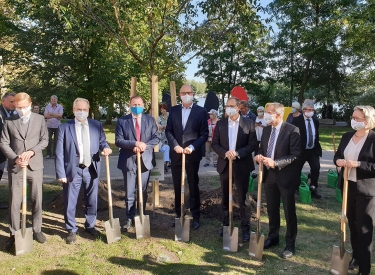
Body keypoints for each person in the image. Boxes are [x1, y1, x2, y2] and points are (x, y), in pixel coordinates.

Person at [55, 98, 112, 244]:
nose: (82, 112)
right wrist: (61, 173)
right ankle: (71, 229)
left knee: (92, 198)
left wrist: (105, 147)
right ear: (73, 110)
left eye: (84, 110)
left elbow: (102, 141)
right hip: (72, 170)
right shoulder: (64, 128)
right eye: (79, 110)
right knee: (70, 200)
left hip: (91, 168)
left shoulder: (96, 125)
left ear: (88, 110)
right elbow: (59, 153)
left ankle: (90, 225)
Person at [0, 92, 49, 250]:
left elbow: (44, 140)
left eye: (24, 107)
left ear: (30, 104)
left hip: (35, 166)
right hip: (16, 167)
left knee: (37, 199)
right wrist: (15, 158)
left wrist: (32, 151)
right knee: (15, 202)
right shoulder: (9, 121)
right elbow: (4, 143)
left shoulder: (40, 119)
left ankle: (37, 230)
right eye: (18, 107)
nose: (21, 110)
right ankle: (14, 233)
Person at [254, 102, 301, 259]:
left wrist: (276, 162)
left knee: (289, 211)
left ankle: (290, 244)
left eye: (269, 112)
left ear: (278, 115)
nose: (266, 115)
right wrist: (259, 156)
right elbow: (262, 148)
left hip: (285, 176)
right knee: (272, 209)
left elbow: (295, 155)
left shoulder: (292, 130)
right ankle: (273, 237)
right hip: (269, 176)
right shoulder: (267, 130)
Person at [334, 106, 375, 275]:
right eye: (353, 117)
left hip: (366, 190)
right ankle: (356, 257)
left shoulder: (373, 139)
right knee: (352, 225)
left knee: (364, 229)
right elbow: (337, 156)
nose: (354, 121)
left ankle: (364, 268)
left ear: (367, 121)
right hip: (347, 186)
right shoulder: (346, 136)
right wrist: (339, 162)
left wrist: (358, 164)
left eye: (357, 118)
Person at [211, 97, 257, 242]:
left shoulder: (249, 124)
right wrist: (225, 153)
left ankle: (245, 228)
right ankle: (225, 225)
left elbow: (253, 145)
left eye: (231, 106)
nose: (228, 109)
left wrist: (237, 153)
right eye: (226, 106)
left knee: (243, 198)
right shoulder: (220, 124)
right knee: (225, 196)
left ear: (238, 107)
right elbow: (215, 143)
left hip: (241, 165)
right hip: (225, 164)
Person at [165, 84, 208, 230]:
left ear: (193, 94)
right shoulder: (174, 110)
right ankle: (179, 215)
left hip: (192, 155)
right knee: (177, 186)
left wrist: (192, 147)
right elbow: (169, 131)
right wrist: (175, 145)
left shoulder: (201, 112)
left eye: (189, 92)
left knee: (193, 185)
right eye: (184, 93)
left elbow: (204, 134)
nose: (186, 94)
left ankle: (196, 216)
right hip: (176, 154)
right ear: (179, 94)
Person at [115, 95, 158, 231]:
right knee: (129, 192)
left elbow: (156, 138)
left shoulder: (150, 120)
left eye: (139, 104)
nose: (137, 107)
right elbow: (118, 140)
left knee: (143, 190)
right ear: (130, 105)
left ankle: (141, 215)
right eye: (134, 104)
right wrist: (134, 144)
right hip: (128, 160)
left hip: (145, 161)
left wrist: (144, 146)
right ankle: (129, 217)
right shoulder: (122, 121)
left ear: (144, 105)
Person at [291, 101, 323, 199]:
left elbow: (316, 135)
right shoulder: (296, 121)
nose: (311, 112)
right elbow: (293, 136)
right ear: (303, 110)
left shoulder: (315, 121)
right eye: (309, 110)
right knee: (296, 169)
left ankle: (313, 188)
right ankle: (295, 188)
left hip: (313, 150)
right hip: (301, 150)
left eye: (312, 110)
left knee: (316, 168)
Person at [0, 92, 17, 210]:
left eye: (15, 101)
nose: (14, 104)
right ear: (3, 102)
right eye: (11, 101)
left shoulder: (10, 114)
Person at [158, 103, 170, 172]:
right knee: (165, 148)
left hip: (169, 134)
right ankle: (165, 165)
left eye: (163, 109)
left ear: (166, 109)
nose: (162, 111)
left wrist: (164, 126)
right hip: (162, 136)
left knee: (169, 148)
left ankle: (167, 164)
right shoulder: (159, 117)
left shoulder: (170, 115)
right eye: (161, 110)